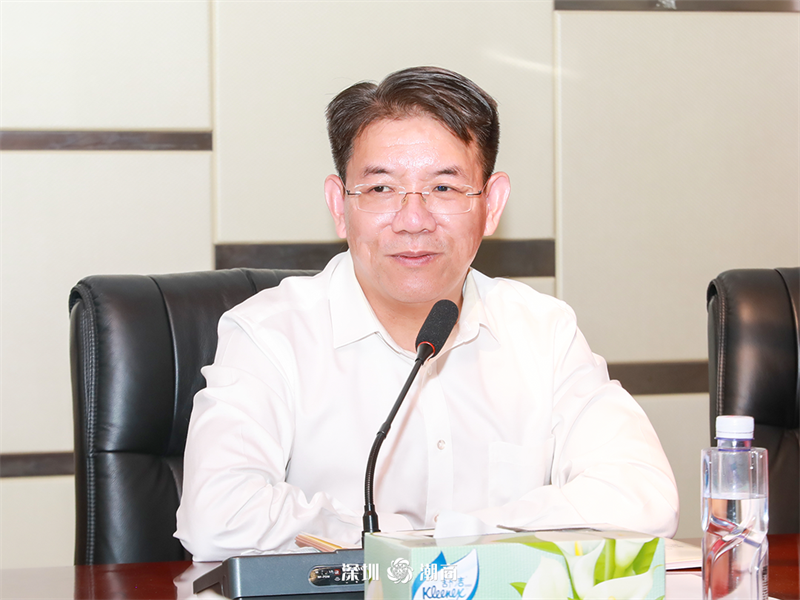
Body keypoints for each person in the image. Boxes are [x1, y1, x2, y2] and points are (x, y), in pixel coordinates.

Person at [175, 66, 679, 561]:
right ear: (339, 205)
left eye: (444, 188)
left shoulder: (543, 331)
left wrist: (462, 537)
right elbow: (218, 516)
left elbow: (643, 497)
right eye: (381, 189)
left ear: (492, 204)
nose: (413, 221)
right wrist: (405, 547)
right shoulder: (270, 334)